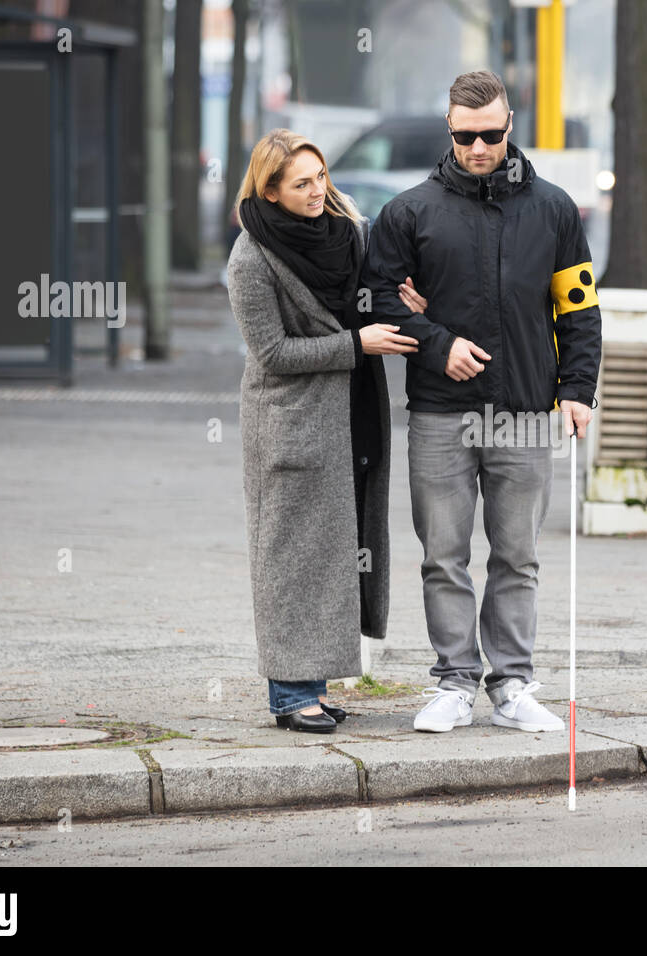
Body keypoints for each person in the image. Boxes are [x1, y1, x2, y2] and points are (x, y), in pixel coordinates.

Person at [362, 71, 603, 733]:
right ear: (449, 129)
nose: (477, 148)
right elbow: (378, 299)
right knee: (443, 553)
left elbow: (579, 308)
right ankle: (454, 682)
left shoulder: (554, 210)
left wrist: (577, 390)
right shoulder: (408, 212)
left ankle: (513, 685)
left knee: (517, 554)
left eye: (490, 136)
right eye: (464, 136)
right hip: (441, 409)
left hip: (525, 410)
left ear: (510, 125)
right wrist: (438, 346)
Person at [226, 129, 424, 734]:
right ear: (271, 191)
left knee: (337, 554)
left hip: (349, 411)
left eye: (321, 178)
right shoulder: (250, 259)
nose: (317, 192)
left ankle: (310, 685)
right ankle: (290, 694)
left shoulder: (349, 232)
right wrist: (356, 344)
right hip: (289, 424)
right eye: (302, 184)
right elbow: (272, 352)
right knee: (290, 558)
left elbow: (368, 302)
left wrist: (401, 305)